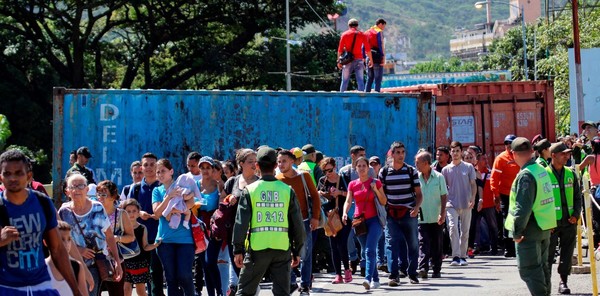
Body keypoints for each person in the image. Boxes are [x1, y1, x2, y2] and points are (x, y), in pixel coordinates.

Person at [0, 149, 81, 296]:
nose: (13, 178)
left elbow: (57, 249)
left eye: (18, 173)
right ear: (1, 177)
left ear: (29, 176)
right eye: (7, 173)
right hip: (7, 287)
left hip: (41, 286)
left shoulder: (42, 202)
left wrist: (75, 290)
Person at [232, 146, 306, 296]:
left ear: (257, 166)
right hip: (281, 248)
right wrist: (297, 250)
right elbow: (297, 224)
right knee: (282, 293)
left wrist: (237, 249)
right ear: (275, 166)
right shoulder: (287, 190)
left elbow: (241, 223)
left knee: (245, 292)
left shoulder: (250, 190)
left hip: (257, 249)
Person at [504, 137, 557, 296]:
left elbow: (522, 207)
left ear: (513, 154)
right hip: (544, 226)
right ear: (531, 152)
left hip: (529, 230)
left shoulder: (526, 175)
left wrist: (517, 231)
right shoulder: (540, 169)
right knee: (541, 268)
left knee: (529, 270)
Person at [58, 173, 123, 296]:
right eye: (73, 187)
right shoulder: (63, 212)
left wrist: (117, 262)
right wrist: (79, 250)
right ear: (67, 191)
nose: (77, 190)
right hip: (73, 264)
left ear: (87, 189)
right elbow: (58, 239)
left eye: (81, 186)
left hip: (96, 264)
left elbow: (109, 236)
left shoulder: (97, 208)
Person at [276, 150, 321, 295]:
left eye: (284, 161)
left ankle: (305, 285)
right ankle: (292, 280)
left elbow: (315, 197)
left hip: (304, 221)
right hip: (285, 224)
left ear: (292, 161)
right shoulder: (278, 179)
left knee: (305, 254)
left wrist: (315, 217)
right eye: (279, 161)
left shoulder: (304, 176)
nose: (280, 164)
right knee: (285, 253)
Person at [379, 142, 422, 285]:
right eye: (397, 152)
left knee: (413, 244)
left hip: (409, 213)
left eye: (403, 152)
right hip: (391, 213)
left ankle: (412, 273)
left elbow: (419, 194)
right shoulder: (384, 172)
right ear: (392, 154)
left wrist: (416, 207)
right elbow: (381, 194)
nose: (401, 155)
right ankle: (394, 275)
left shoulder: (411, 171)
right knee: (391, 243)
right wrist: (384, 210)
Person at [152, 158, 196, 296]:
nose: (160, 174)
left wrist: (175, 210)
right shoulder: (157, 191)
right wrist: (168, 197)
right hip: (165, 241)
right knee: (171, 279)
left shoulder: (181, 186)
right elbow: (157, 213)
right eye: (157, 172)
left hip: (185, 240)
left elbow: (191, 203)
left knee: (185, 275)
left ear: (171, 171)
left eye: (163, 171)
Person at [342, 157, 387, 290]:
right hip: (358, 221)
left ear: (368, 168)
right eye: (359, 166)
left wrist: (376, 190)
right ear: (356, 169)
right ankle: (376, 279)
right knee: (366, 251)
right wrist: (345, 213)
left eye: (364, 166)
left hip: (374, 220)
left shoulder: (375, 182)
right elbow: (348, 201)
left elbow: (384, 201)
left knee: (369, 250)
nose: (361, 168)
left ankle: (368, 278)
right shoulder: (352, 184)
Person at [546, 142, 581, 294]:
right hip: (551, 223)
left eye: (568, 154)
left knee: (567, 253)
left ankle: (563, 282)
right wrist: (547, 222)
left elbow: (578, 197)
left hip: (569, 221)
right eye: (563, 154)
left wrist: (576, 215)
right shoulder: (543, 174)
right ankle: (545, 284)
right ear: (553, 156)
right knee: (547, 254)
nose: (567, 157)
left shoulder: (571, 173)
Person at [223, 149, 259, 295]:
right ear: (241, 164)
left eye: (255, 161)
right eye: (250, 161)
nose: (254, 164)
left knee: (252, 270)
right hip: (235, 233)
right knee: (239, 268)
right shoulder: (233, 181)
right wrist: (229, 198)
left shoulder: (260, 182)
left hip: (256, 233)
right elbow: (221, 201)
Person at [127, 152, 163, 296]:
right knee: (140, 275)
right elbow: (128, 210)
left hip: (158, 235)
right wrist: (139, 213)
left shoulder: (162, 187)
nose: (149, 168)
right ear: (141, 167)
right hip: (139, 238)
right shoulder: (135, 188)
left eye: (152, 164)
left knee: (157, 271)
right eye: (146, 165)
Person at [96, 180, 135, 296]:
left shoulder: (121, 214)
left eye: (104, 194)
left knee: (116, 293)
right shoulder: (94, 212)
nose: (100, 197)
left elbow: (131, 237)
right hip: (96, 259)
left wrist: (116, 238)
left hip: (114, 259)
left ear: (113, 196)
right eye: (98, 194)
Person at [317, 157, 352, 284]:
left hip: (343, 215)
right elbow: (319, 196)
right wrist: (322, 193)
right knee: (333, 246)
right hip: (329, 217)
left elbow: (350, 194)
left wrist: (339, 192)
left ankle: (347, 269)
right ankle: (338, 274)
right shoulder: (323, 181)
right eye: (325, 171)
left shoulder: (343, 178)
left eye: (330, 170)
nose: (328, 173)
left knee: (342, 244)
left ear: (335, 167)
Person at [442, 141, 476, 266]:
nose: (455, 153)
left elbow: (473, 184)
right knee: (452, 228)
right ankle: (455, 256)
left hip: (466, 203)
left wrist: (473, 198)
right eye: (453, 151)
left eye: (457, 150)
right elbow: (443, 189)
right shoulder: (445, 170)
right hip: (451, 204)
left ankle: (463, 255)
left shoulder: (468, 167)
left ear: (461, 152)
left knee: (465, 230)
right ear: (450, 153)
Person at [415, 150, 447, 279]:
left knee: (436, 243)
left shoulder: (439, 177)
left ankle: (436, 268)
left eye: (418, 163)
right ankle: (423, 267)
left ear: (426, 163)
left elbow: (444, 196)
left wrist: (442, 213)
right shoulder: (416, 178)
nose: (416, 165)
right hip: (421, 217)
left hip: (436, 216)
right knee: (423, 242)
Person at [195, 156, 224, 296]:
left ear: (213, 169)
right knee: (204, 264)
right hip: (198, 228)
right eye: (202, 168)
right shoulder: (195, 185)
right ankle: (211, 293)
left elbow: (223, 207)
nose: (205, 171)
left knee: (210, 261)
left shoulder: (219, 185)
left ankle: (219, 292)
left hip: (214, 227)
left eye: (208, 168)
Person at [121, 199, 161, 296]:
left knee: (141, 291)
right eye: (128, 211)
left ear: (139, 212)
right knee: (126, 289)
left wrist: (155, 245)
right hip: (124, 262)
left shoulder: (142, 228)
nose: (131, 214)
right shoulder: (121, 228)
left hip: (139, 263)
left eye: (134, 211)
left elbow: (145, 246)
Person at [490, 134, 520, 258]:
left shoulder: (520, 156)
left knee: (520, 219)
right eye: (506, 143)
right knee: (507, 221)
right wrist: (496, 196)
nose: (508, 145)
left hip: (520, 194)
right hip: (506, 195)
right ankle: (508, 249)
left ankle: (520, 247)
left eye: (511, 143)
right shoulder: (501, 159)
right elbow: (494, 178)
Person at [46, 221, 88, 296]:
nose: (66, 244)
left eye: (69, 239)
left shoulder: (77, 267)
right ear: (46, 242)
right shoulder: (40, 268)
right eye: (62, 239)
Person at [337, 18, 373, 92]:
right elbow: (367, 49)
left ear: (349, 26)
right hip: (359, 60)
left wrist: (339, 61)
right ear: (357, 25)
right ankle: (362, 99)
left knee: (344, 81)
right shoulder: (362, 34)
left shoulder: (344, 34)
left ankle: (341, 98)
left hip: (347, 61)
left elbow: (340, 50)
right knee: (360, 81)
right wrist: (371, 60)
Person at [475, 153, 499, 255]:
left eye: (486, 158)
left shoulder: (490, 173)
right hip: (477, 205)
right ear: (477, 161)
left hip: (489, 205)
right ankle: (476, 247)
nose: (486, 161)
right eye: (483, 159)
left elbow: (495, 187)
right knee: (475, 227)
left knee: (493, 227)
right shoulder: (473, 173)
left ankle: (494, 248)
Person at [365, 18, 386, 93]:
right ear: (380, 24)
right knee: (378, 79)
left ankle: (366, 94)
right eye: (383, 26)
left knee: (369, 78)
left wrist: (365, 58)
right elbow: (381, 45)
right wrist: (383, 57)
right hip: (376, 56)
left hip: (368, 56)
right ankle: (376, 94)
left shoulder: (367, 32)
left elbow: (363, 46)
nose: (383, 28)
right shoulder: (378, 32)